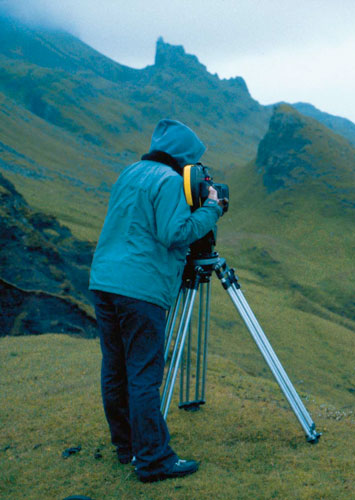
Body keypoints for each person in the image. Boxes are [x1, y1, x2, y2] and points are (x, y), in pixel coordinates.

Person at [89, 119, 224, 483]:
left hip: (104, 281)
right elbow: (175, 234)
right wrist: (210, 208)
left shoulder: (129, 172)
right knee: (144, 374)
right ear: (182, 157)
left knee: (115, 368)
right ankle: (153, 460)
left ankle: (126, 447)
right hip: (139, 290)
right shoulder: (168, 183)